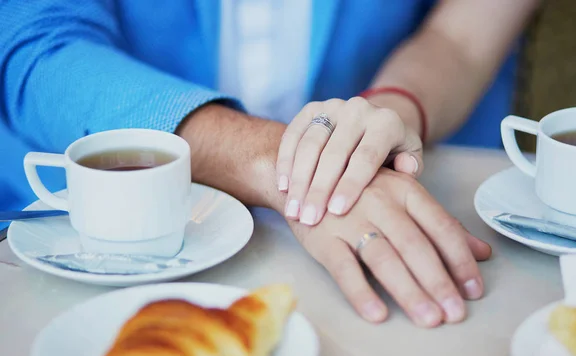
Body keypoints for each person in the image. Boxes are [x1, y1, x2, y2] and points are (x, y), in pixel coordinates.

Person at [0, 0, 540, 327]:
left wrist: (381, 125)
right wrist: (282, 165)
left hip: (380, 202)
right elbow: (37, 44)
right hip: (99, 226)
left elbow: (462, 37)